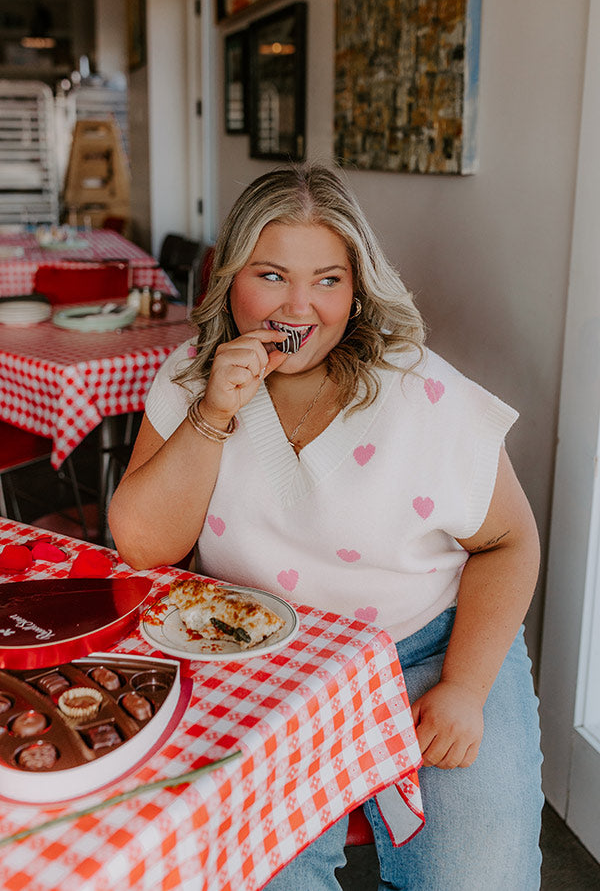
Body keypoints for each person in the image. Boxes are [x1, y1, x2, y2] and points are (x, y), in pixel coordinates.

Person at [108, 164, 544, 890]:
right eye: (271, 275)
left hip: (428, 648)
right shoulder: (189, 378)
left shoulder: (421, 393)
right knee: (257, 876)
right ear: (228, 276)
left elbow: (510, 540)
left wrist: (466, 687)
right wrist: (213, 412)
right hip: (265, 663)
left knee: (477, 878)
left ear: (359, 286)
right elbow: (144, 546)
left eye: (329, 280)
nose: (299, 307)